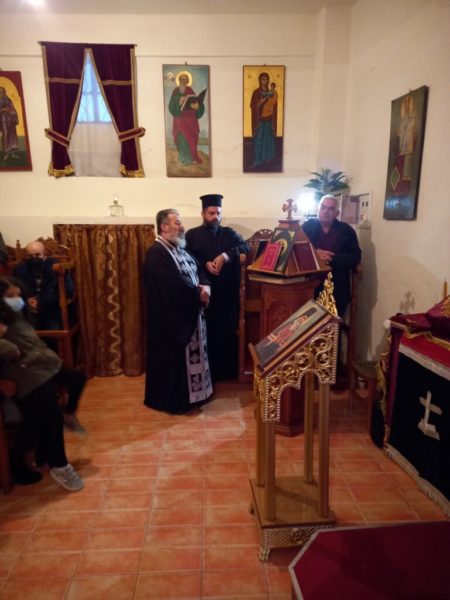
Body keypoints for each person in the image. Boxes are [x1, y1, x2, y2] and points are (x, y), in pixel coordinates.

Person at [0, 276, 85, 490]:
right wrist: (9, 348)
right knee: (47, 413)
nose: (17, 299)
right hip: (22, 373)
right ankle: (59, 465)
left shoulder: (16, 314)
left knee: (75, 379)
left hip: (41, 364)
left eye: (18, 294)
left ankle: (66, 418)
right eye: (10, 296)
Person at [143, 209, 213, 414]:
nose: (182, 227)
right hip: (170, 321)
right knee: (174, 363)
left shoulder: (179, 248)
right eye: (177, 223)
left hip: (192, 312)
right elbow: (172, 286)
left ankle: (199, 394)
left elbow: (198, 268)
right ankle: (179, 399)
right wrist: (198, 294)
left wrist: (205, 286)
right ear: (164, 227)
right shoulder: (156, 253)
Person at [186, 194, 249, 381]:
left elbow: (245, 247)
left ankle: (227, 372)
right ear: (203, 214)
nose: (215, 217)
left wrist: (225, 256)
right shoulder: (192, 235)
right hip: (204, 291)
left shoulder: (229, 233)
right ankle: (208, 372)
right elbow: (187, 256)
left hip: (226, 292)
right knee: (207, 331)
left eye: (218, 213)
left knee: (226, 330)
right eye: (211, 213)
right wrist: (204, 263)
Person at [302, 195, 362, 318]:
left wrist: (332, 259)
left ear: (337, 213)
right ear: (318, 209)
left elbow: (355, 256)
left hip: (337, 284)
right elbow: (296, 249)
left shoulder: (346, 231)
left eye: (330, 209)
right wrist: (315, 253)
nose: (326, 211)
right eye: (323, 207)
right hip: (310, 282)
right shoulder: (307, 227)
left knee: (332, 321)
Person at [12, 239, 74, 331]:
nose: (34, 258)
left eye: (37, 255)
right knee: (26, 333)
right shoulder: (20, 270)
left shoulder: (57, 268)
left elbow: (69, 291)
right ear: (26, 257)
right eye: (30, 256)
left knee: (53, 332)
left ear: (44, 255)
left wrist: (40, 302)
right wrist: (26, 301)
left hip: (51, 311)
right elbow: (13, 291)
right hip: (28, 311)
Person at [168, 71, 205, 166]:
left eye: (185, 79)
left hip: (191, 121)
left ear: (188, 81)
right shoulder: (175, 92)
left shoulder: (190, 91)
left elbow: (196, 102)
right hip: (180, 121)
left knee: (192, 139)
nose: (183, 81)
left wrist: (198, 107)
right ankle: (184, 160)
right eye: (181, 79)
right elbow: (171, 107)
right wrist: (179, 102)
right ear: (179, 80)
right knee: (182, 139)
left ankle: (193, 158)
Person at [250, 72, 278, 167]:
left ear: (268, 81)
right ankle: (257, 159)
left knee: (268, 138)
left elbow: (274, 104)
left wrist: (273, 108)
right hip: (260, 121)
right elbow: (252, 105)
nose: (264, 81)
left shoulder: (272, 93)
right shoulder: (256, 92)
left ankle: (268, 158)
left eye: (266, 79)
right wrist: (260, 102)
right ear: (259, 81)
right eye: (263, 79)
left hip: (269, 119)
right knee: (259, 138)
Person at [0, 86, 20, 162]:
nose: (1, 93)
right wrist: (2, 110)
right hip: (3, 120)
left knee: (12, 135)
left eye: (2, 91)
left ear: (4, 92)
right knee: (5, 135)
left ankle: (13, 153)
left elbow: (13, 109)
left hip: (10, 120)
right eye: (0, 91)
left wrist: (7, 109)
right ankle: (6, 153)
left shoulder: (8, 99)